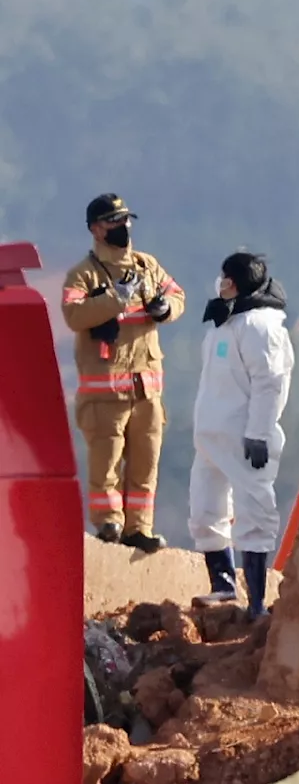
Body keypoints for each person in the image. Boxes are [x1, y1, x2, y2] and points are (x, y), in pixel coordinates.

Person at [61, 194, 185, 553]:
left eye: (126, 220)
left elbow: (177, 296)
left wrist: (165, 308)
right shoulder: (82, 274)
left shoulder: (147, 266)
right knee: (106, 464)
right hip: (106, 393)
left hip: (146, 389)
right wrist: (115, 298)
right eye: (114, 221)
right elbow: (74, 315)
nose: (123, 227)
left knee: (145, 465)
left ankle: (139, 528)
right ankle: (109, 524)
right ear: (96, 229)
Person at [188, 252, 295, 618]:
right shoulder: (227, 321)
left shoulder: (259, 326)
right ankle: (223, 586)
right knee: (206, 510)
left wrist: (259, 433)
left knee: (254, 512)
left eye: (225, 277)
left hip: (243, 436)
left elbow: (270, 383)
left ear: (234, 281)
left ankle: (257, 602)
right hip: (212, 436)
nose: (220, 282)